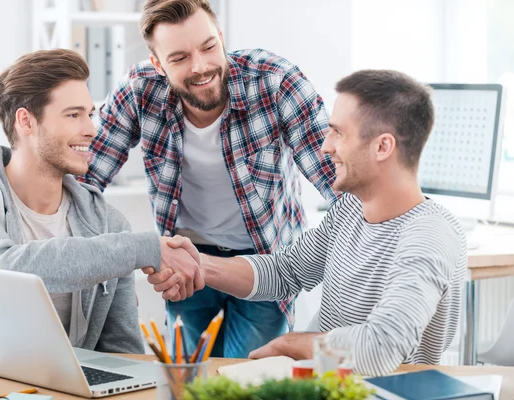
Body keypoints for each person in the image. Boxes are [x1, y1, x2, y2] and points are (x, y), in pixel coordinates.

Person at [153, 69, 468, 376]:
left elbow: (380, 348)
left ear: (382, 146)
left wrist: (291, 344)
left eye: (338, 133)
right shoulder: (349, 210)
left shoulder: (430, 234)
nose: (326, 146)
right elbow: (284, 271)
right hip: (326, 386)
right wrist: (199, 265)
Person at [79, 0, 337, 358]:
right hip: (185, 260)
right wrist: (108, 273)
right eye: (180, 58)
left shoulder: (274, 82)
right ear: (158, 64)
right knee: (188, 380)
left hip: (264, 261)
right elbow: (83, 180)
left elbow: (337, 180)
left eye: (209, 47)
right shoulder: (139, 90)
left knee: (245, 380)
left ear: (221, 37)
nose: (200, 67)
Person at [0, 49, 203, 354]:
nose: (91, 129)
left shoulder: (108, 223)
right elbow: (3, 271)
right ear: (26, 121)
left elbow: (123, 352)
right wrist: (143, 248)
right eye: (74, 115)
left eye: (89, 114)